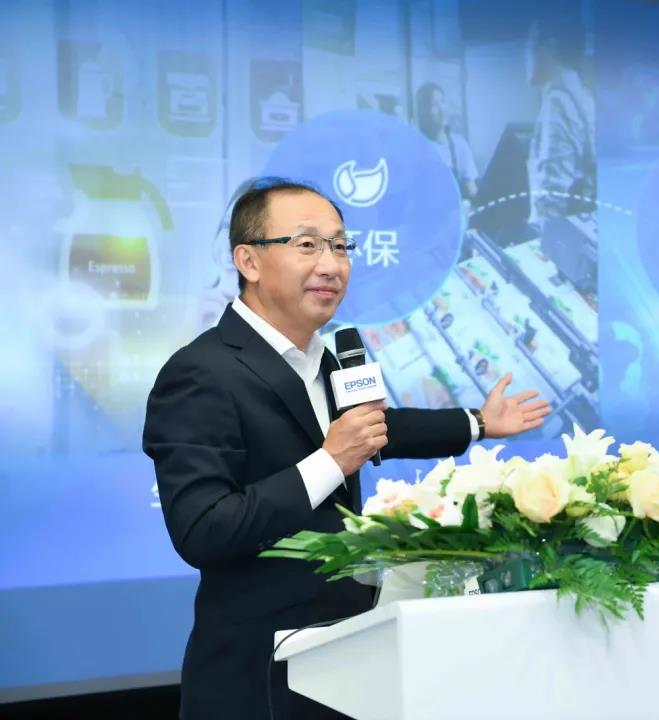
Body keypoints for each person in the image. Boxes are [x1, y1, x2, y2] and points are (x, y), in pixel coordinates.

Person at [142, 178, 550, 719]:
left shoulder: (325, 358)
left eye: (340, 246)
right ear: (249, 261)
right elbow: (203, 529)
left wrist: (476, 422)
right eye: (307, 245)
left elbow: (373, 429)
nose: (332, 265)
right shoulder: (201, 372)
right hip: (258, 678)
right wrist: (330, 462)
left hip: (344, 659)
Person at [524, 14, 596, 226]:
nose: (526, 54)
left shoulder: (558, 104)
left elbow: (553, 196)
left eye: (530, 43)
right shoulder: (583, 96)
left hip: (560, 234)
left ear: (550, 46)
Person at [415, 81, 479, 201]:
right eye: (434, 105)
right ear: (423, 111)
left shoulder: (459, 145)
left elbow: (472, 191)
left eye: (443, 102)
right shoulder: (414, 148)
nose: (442, 109)